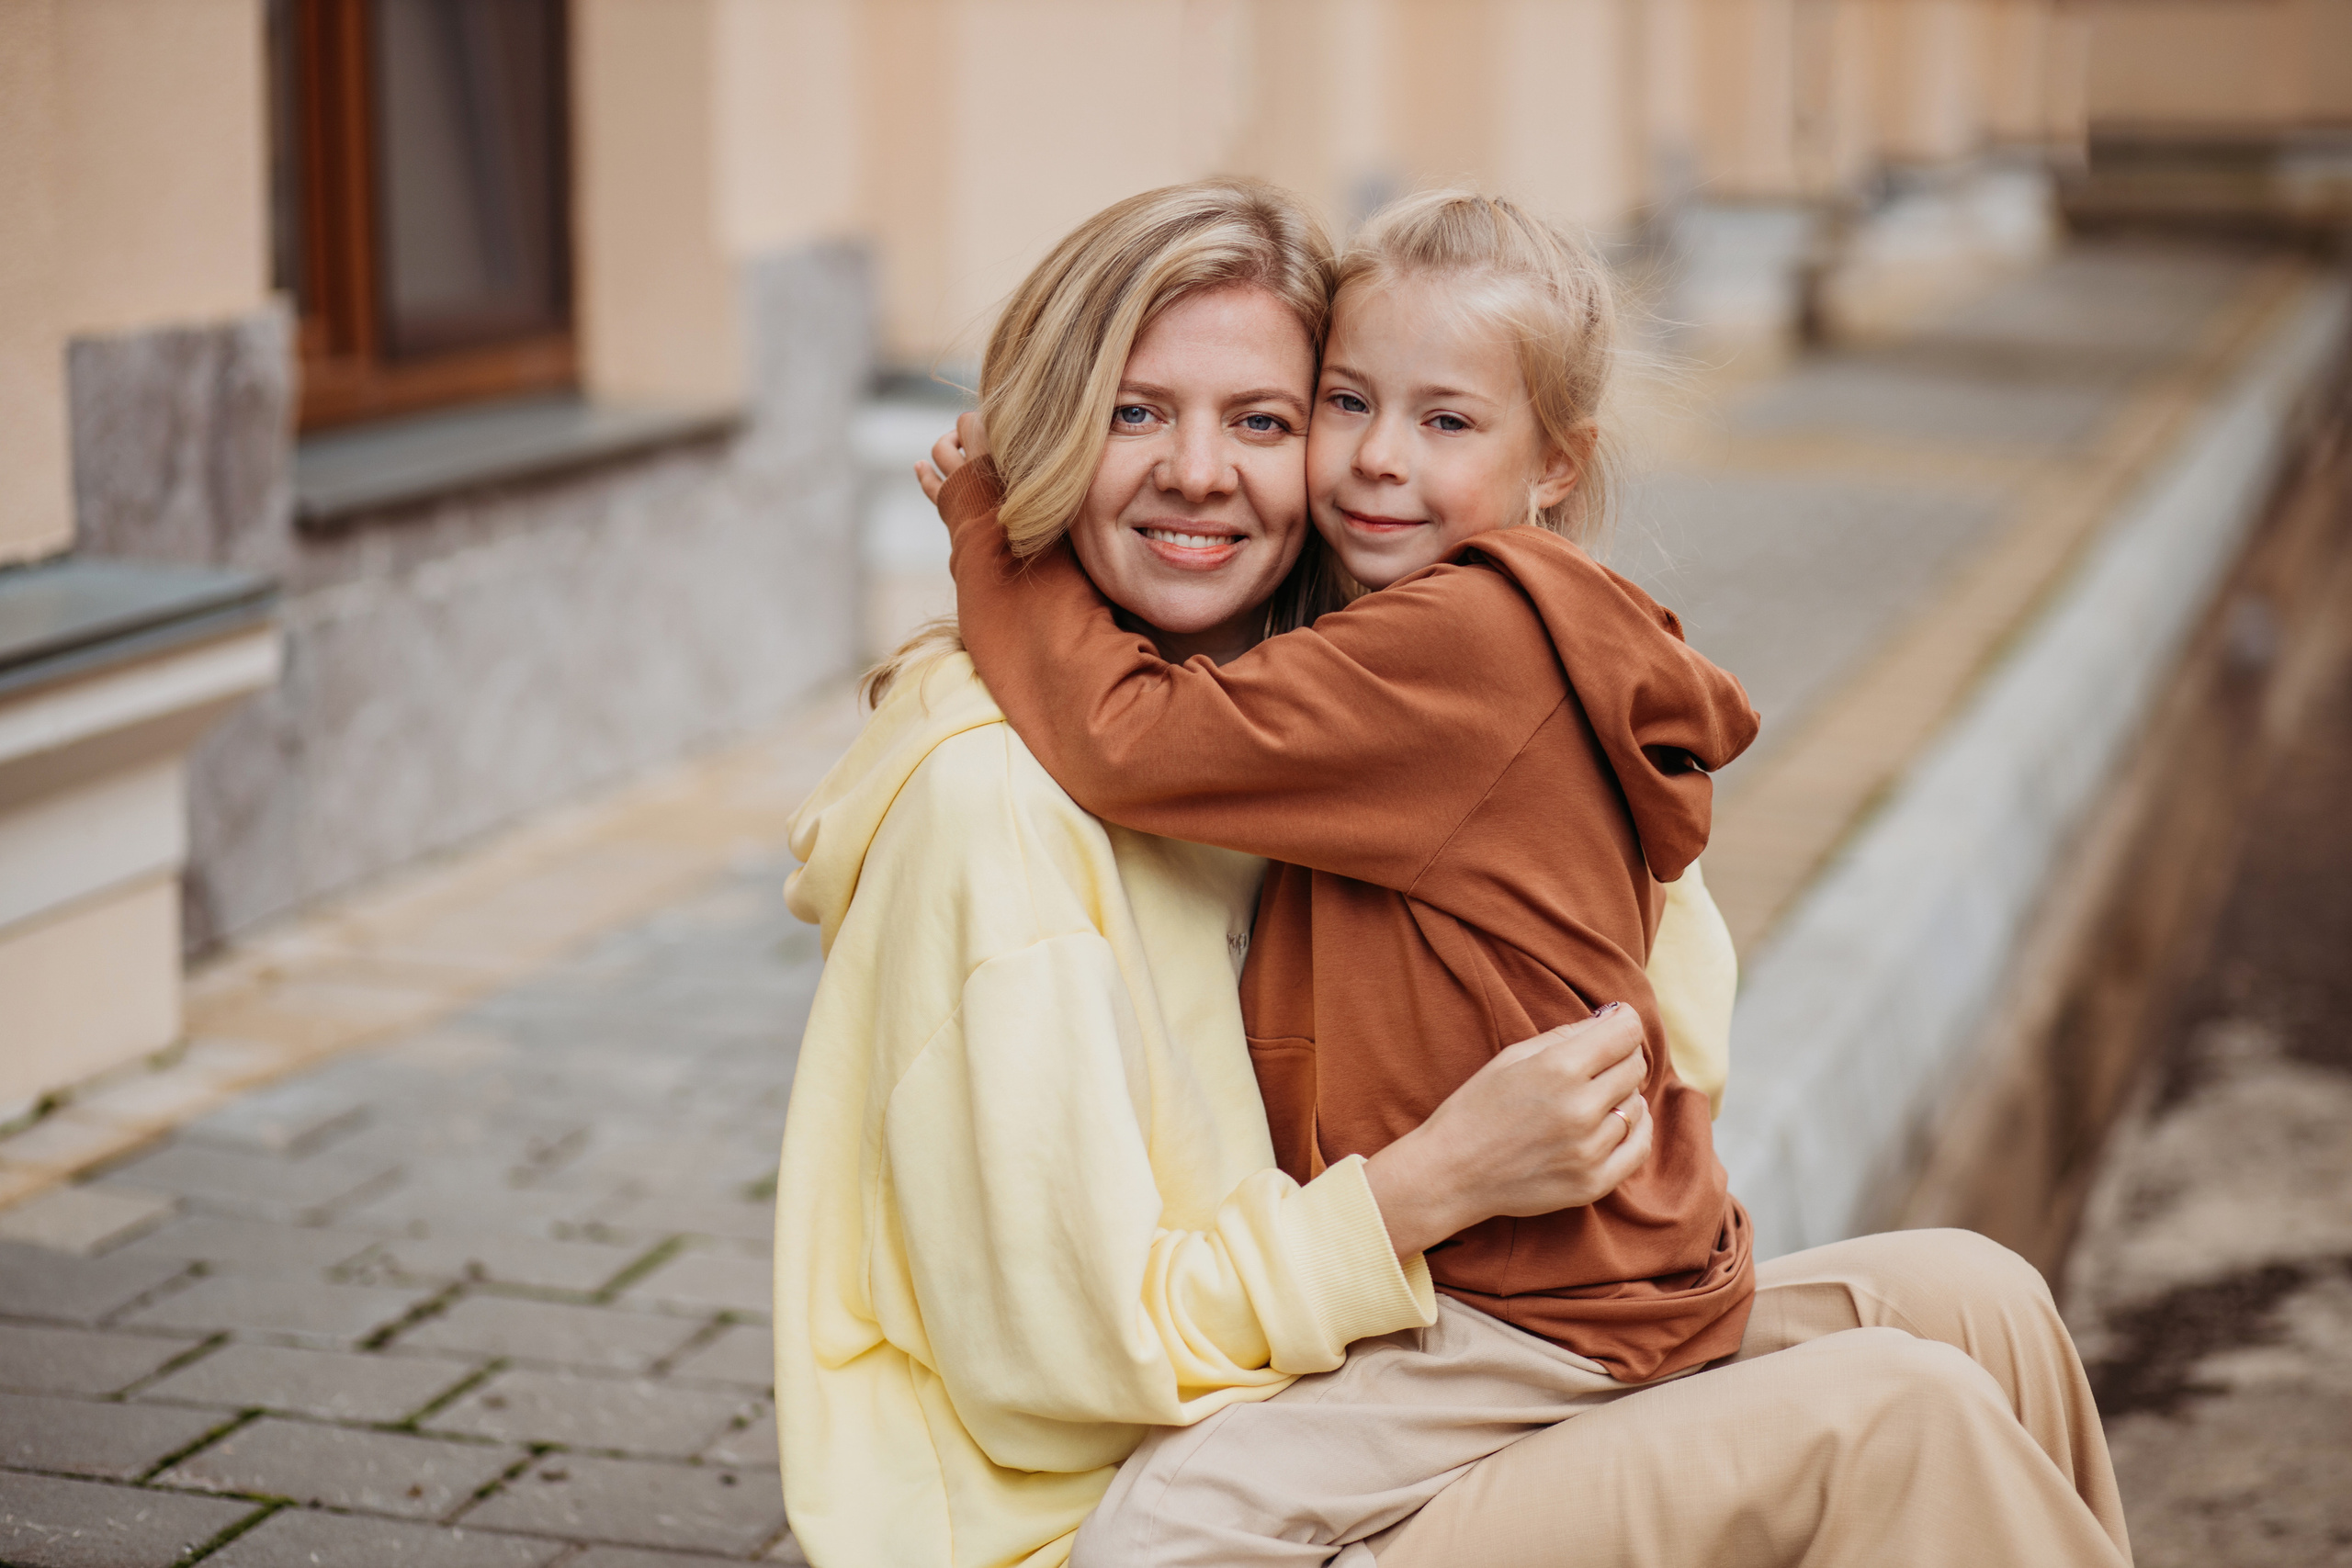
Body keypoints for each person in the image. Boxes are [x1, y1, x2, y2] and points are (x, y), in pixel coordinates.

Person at [782, 180, 2131, 1568]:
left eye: (1262, 420)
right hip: (1122, 1470)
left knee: (1973, 1298)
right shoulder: (1004, 804)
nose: (1202, 470)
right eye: (1136, 412)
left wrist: (1534, 1161)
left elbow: (1661, 995)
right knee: (1900, 1412)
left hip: (1461, 1321)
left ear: (1553, 464)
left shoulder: (1367, 677)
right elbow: (1073, 1357)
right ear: (1049, 430)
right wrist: (1441, 1178)